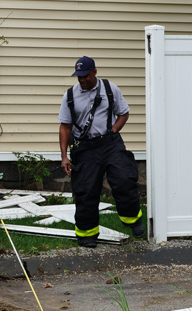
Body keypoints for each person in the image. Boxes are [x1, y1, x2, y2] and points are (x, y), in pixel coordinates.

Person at [58, 56, 144, 248]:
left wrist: (112, 131)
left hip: (110, 144)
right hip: (85, 148)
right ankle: (87, 233)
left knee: (124, 179)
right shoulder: (69, 96)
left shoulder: (110, 88)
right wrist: (64, 156)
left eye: (86, 75)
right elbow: (65, 127)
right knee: (86, 191)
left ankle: (132, 220)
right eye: (79, 76)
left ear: (94, 72)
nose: (82, 79)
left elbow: (124, 113)